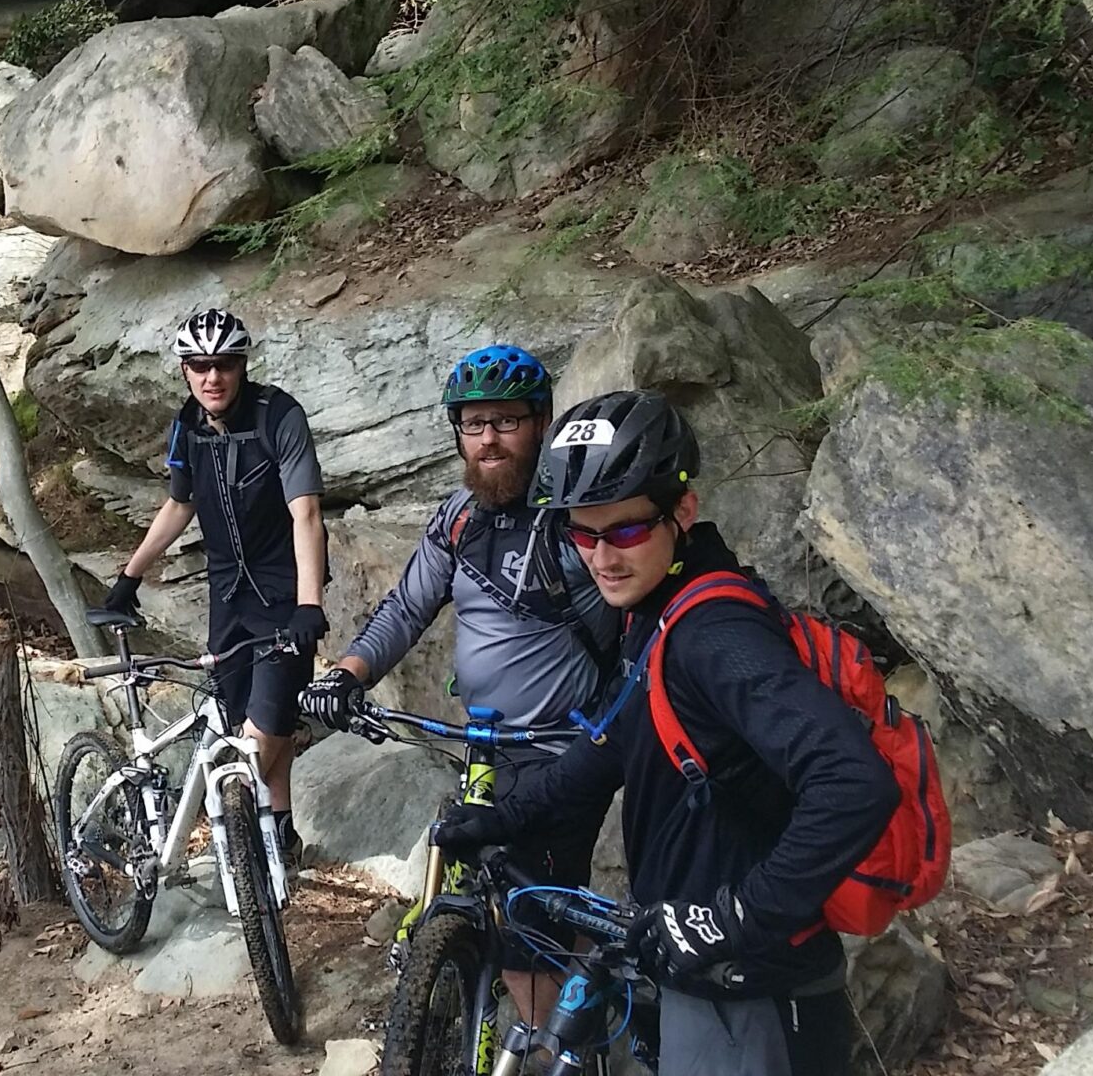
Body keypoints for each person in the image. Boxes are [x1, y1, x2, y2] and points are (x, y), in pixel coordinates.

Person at [434, 389, 897, 1076]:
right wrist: (503, 817)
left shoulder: (715, 634)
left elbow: (855, 782)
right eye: (579, 533)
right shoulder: (657, 610)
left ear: (683, 509)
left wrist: (731, 918)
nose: (601, 557)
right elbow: (614, 744)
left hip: (752, 995)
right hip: (701, 976)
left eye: (623, 531)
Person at [294, 343, 620, 1028]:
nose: (489, 439)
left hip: (563, 751)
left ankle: (544, 1047)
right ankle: (565, 999)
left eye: (506, 421)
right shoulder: (459, 517)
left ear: (539, 423)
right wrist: (348, 674)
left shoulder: (575, 520)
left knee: (526, 922)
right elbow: (409, 607)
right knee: (499, 895)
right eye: (474, 424)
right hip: (482, 747)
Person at [107, 309, 329, 867]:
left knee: (263, 731)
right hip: (226, 599)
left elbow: (306, 514)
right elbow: (180, 503)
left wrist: (309, 604)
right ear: (185, 371)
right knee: (245, 730)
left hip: (282, 598)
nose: (213, 377)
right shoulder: (186, 427)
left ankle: (248, 855)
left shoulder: (279, 416)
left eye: (224, 365)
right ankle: (280, 847)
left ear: (242, 365)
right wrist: (129, 576)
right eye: (200, 366)